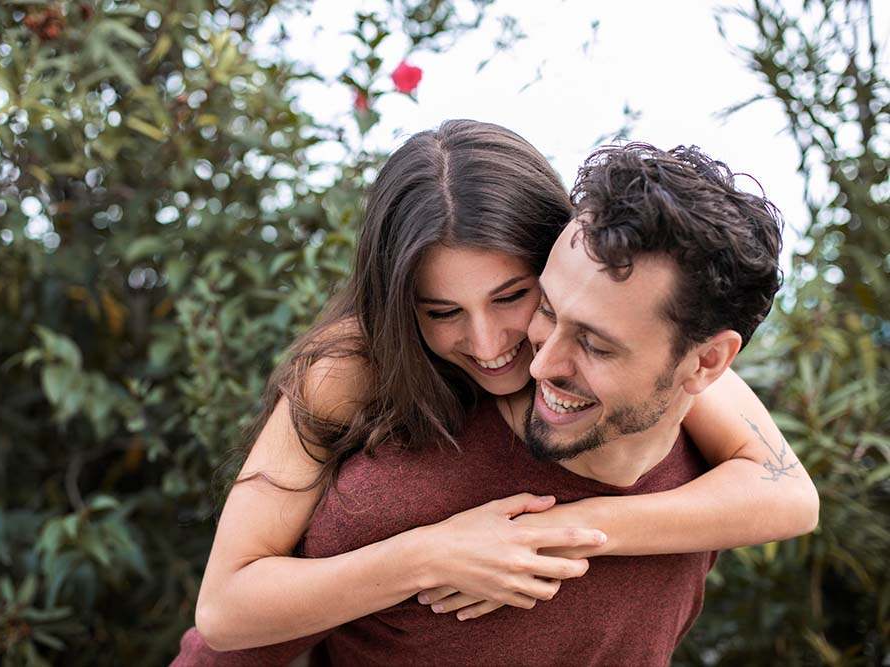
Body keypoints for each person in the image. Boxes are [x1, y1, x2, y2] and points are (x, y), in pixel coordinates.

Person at [175, 123, 817, 665]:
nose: (488, 346)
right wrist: (430, 555)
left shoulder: (647, 357)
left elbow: (787, 493)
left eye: (513, 297)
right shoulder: (358, 366)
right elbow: (226, 609)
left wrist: (552, 531)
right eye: (441, 311)